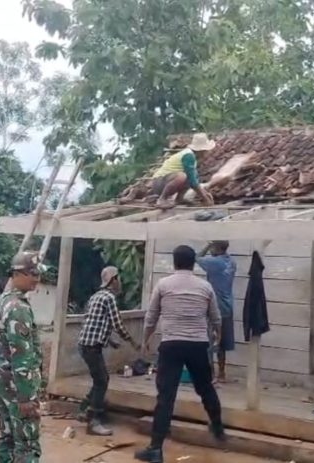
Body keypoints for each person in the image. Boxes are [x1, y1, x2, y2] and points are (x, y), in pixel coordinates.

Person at [135, 245, 225, 463]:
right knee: (205, 387)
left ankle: (155, 449)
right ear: (193, 263)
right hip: (197, 344)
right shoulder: (205, 287)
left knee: (166, 397)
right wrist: (218, 336)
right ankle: (217, 426)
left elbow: (151, 317)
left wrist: (145, 340)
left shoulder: (164, 285)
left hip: (171, 345)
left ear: (174, 262)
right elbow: (216, 318)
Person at [0, 251, 45, 463]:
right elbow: (21, 355)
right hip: (18, 388)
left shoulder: (4, 300)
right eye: (32, 274)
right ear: (18, 273)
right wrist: (26, 396)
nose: (37, 279)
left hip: (3, 383)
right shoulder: (18, 308)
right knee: (27, 444)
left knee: (7, 439)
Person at [77, 266, 141, 436]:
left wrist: (110, 340)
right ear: (113, 280)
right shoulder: (109, 298)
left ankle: (84, 409)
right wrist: (133, 342)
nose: (120, 283)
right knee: (102, 381)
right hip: (91, 346)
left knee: (99, 379)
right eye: (118, 279)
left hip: (85, 344)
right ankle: (94, 421)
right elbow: (117, 324)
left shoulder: (96, 296)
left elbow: (95, 322)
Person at [124, 133, 216, 209]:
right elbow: (192, 182)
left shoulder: (192, 157)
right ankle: (162, 199)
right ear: (202, 150)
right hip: (159, 182)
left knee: (192, 175)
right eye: (206, 150)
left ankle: (179, 199)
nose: (207, 153)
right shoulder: (188, 156)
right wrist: (204, 198)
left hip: (165, 181)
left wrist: (204, 194)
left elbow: (193, 179)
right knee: (182, 176)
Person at [197, 241, 237, 383]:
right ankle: (222, 373)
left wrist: (207, 245)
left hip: (215, 306)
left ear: (217, 248)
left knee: (210, 341)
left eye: (213, 247)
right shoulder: (231, 262)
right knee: (222, 341)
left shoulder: (214, 262)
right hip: (227, 306)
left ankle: (211, 375)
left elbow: (196, 257)